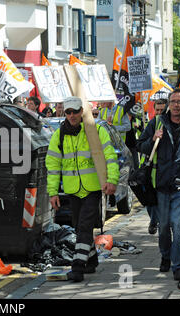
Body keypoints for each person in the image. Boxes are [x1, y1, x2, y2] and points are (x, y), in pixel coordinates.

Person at [46, 96, 119, 282]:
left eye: (75, 111)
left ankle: (77, 267)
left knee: (85, 227)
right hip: (73, 190)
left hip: (93, 188)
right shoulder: (59, 135)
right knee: (80, 228)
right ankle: (92, 261)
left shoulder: (96, 131)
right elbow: (53, 165)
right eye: (68, 112)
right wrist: (53, 192)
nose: (72, 115)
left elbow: (110, 157)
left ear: (82, 111)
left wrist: (112, 180)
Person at [136, 88, 180, 281]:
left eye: (179, 102)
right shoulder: (157, 122)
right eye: (173, 101)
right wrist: (152, 139)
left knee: (177, 226)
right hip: (162, 186)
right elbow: (141, 146)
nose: (175, 105)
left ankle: (179, 267)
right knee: (164, 226)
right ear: (168, 104)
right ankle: (166, 255)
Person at [144, 98, 167, 235]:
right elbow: (141, 145)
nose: (159, 113)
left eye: (162, 110)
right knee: (150, 200)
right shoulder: (152, 124)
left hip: (166, 172)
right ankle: (154, 220)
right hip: (150, 169)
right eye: (157, 110)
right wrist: (152, 140)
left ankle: (160, 222)